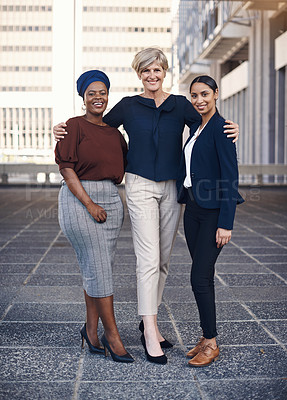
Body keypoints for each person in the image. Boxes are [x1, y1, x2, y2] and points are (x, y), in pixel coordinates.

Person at [53, 48, 239, 365]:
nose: (152, 76)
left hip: (172, 187)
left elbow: (207, 124)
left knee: (163, 260)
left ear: (165, 71)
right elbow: (96, 125)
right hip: (139, 185)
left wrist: (231, 129)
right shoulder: (127, 107)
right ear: (139, 74)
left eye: (157, 70)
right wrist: (62, 130)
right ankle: (151, 331)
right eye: (146, 71)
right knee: (148, 258)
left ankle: (145, 321)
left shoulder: (181, 105)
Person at [55, 70, 134, 363]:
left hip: (111, 201)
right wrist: (89, 204)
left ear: (108, 95)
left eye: (102, 92)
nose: (97, 97)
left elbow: (127, 165)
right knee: (99, 266)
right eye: (91, 93)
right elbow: (66, 168)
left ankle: (90, 331)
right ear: (83, 98)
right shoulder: (73, 127)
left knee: (96, 268)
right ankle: (112, 337)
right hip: (79, 200)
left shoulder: (115, 134)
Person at [177, 75, 244, 367]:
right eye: (194, 95)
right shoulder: (195, 125)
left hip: (214, 213)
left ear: (216, 94)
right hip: (192, 210)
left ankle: (212, 343)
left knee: (198, 278)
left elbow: (230, 178)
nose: (199, 100)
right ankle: (206, 336)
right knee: (204, 276)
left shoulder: (222, 128)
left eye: (205, 94)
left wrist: (226, 223)